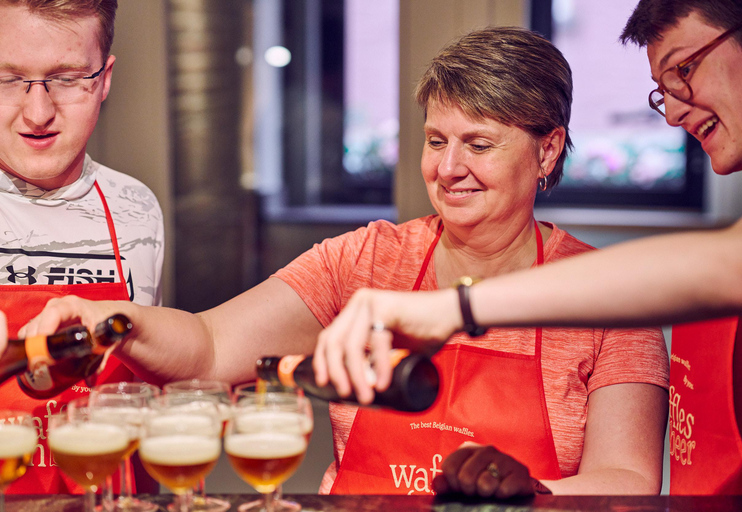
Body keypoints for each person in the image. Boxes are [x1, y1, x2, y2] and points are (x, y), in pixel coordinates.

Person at [17, 26, 668, 497]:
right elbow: (211, 345)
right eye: (436, 140)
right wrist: (115, 317)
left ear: (548, 152)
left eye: (479, 144)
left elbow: (630, 481)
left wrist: (534, 495)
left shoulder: (606, 299)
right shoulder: (365, 260)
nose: (448, 168)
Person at [313, 0, 742, 497]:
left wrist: (455, 307)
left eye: (686, 68)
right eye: (664, 90)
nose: (675, 111)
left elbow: (732, 267)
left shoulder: (738, 254)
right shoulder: (366, 252)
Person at [0, 0, 163, 495]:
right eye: (8, 79)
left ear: (105, 78)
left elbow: (142, 384)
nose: (38, 112)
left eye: (67, 78)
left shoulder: (137, 208)